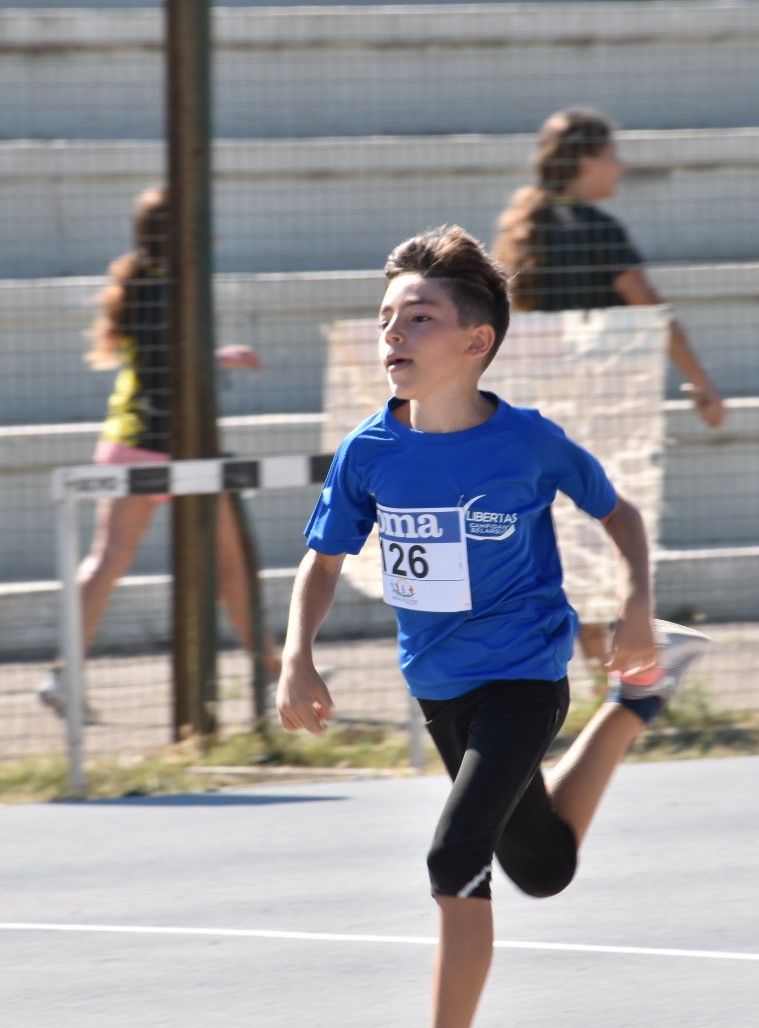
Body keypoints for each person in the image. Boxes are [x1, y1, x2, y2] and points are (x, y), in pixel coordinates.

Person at [275, 225, 710, 1028]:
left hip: (523, 674)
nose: (393, 333)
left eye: (418, 319)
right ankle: (638, 701)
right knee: (540, 866)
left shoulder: (527, 442)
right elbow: (323, 561)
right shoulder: (368, 451)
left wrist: (635, 607)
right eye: (385, 318)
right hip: (438, 685)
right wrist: (294, 657)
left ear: (477, 342)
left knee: (454, 857)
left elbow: (619, 516)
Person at [492, 106, 725, 666]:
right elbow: (653, 313)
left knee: (561, 532)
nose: (621, 166)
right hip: (598, 411)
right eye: (612, 154)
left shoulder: (525, 227)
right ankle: (610, 672)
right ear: (586, 161)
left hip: (541, 410)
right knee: (604, 527)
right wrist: (702, 384)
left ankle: (589, 663)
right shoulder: (597, 230)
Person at [39, 185, 278, 722]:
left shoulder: (147, 281)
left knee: (108, 561)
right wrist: (218, 359)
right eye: (201, 221)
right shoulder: (166, 288)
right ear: (181, 231)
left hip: (135, 444)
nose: (213, 233)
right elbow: (171, 365)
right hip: (169, 449)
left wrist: (217, 357)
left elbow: (165, 358)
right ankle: (274, 676)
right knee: (230, 564)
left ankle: (62, 675)